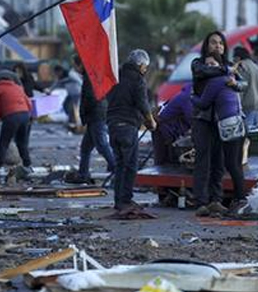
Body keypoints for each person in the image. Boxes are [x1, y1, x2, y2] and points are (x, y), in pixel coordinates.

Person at [191, 54, 251, 217]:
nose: (210, 67)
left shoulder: (215, 82)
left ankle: (241, 200)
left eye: (213, 64)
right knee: (236, 165)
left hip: (229, 126)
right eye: (207, 64)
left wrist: (192, 97)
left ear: (218, 66)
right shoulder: (229, 78)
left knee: (231, 165)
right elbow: (244, 84)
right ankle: (241, 200)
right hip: (240, 123)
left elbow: (203, 103)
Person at [106, 49, 156, 212]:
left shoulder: (116, 76)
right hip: (128, 127)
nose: (145, 70)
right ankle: (125, 200)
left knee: (121, 164)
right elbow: (143, 103)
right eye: (145, 67)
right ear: (140, 65)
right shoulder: (138, 80)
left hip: (113, 126)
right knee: (130, 166)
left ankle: (119, 201)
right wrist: (151, 121)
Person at [190, 31, 231, 216]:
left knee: (219, 162)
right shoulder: (198, 64)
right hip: (202, 119)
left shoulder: (227, 67)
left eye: (221, 43)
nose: (218, 46)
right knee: (202, 161)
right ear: (206, 45)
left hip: (222, 120)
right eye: (214, 43)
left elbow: (240, 84)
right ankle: (201, 201)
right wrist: (225, 71)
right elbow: (205, 71)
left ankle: (216, 200)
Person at [70, 55, 115, 183]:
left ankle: (116, 167)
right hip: (95, 115)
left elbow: (89, 98)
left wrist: (84, 117)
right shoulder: (90, 75)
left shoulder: (89, 77)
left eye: (75, 65)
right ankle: (83, 174)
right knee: (85, 147)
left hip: (96, 115)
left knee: (101, 144)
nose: (74, 68)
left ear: (80, 64)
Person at [0, 71, 33, 172]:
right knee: (22, 142)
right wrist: (29, 115)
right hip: (25, 114)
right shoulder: (18, 87)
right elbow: (29, 103)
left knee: (4, 142)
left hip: (11, 116)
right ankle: (28, 165)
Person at [153, 83, 193, 165]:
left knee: (166, 161)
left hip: (167, 130)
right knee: (164, 162)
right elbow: (192, 118)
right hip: (164, 131)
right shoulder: (187, 97)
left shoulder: (186, 94)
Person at [232, 47, 258, 129]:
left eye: (234, 58)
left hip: (247, 108)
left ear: (238, 57)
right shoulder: (257, 68)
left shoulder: (242, 66)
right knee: (256, 138)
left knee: (246, 138)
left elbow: (240, 88)